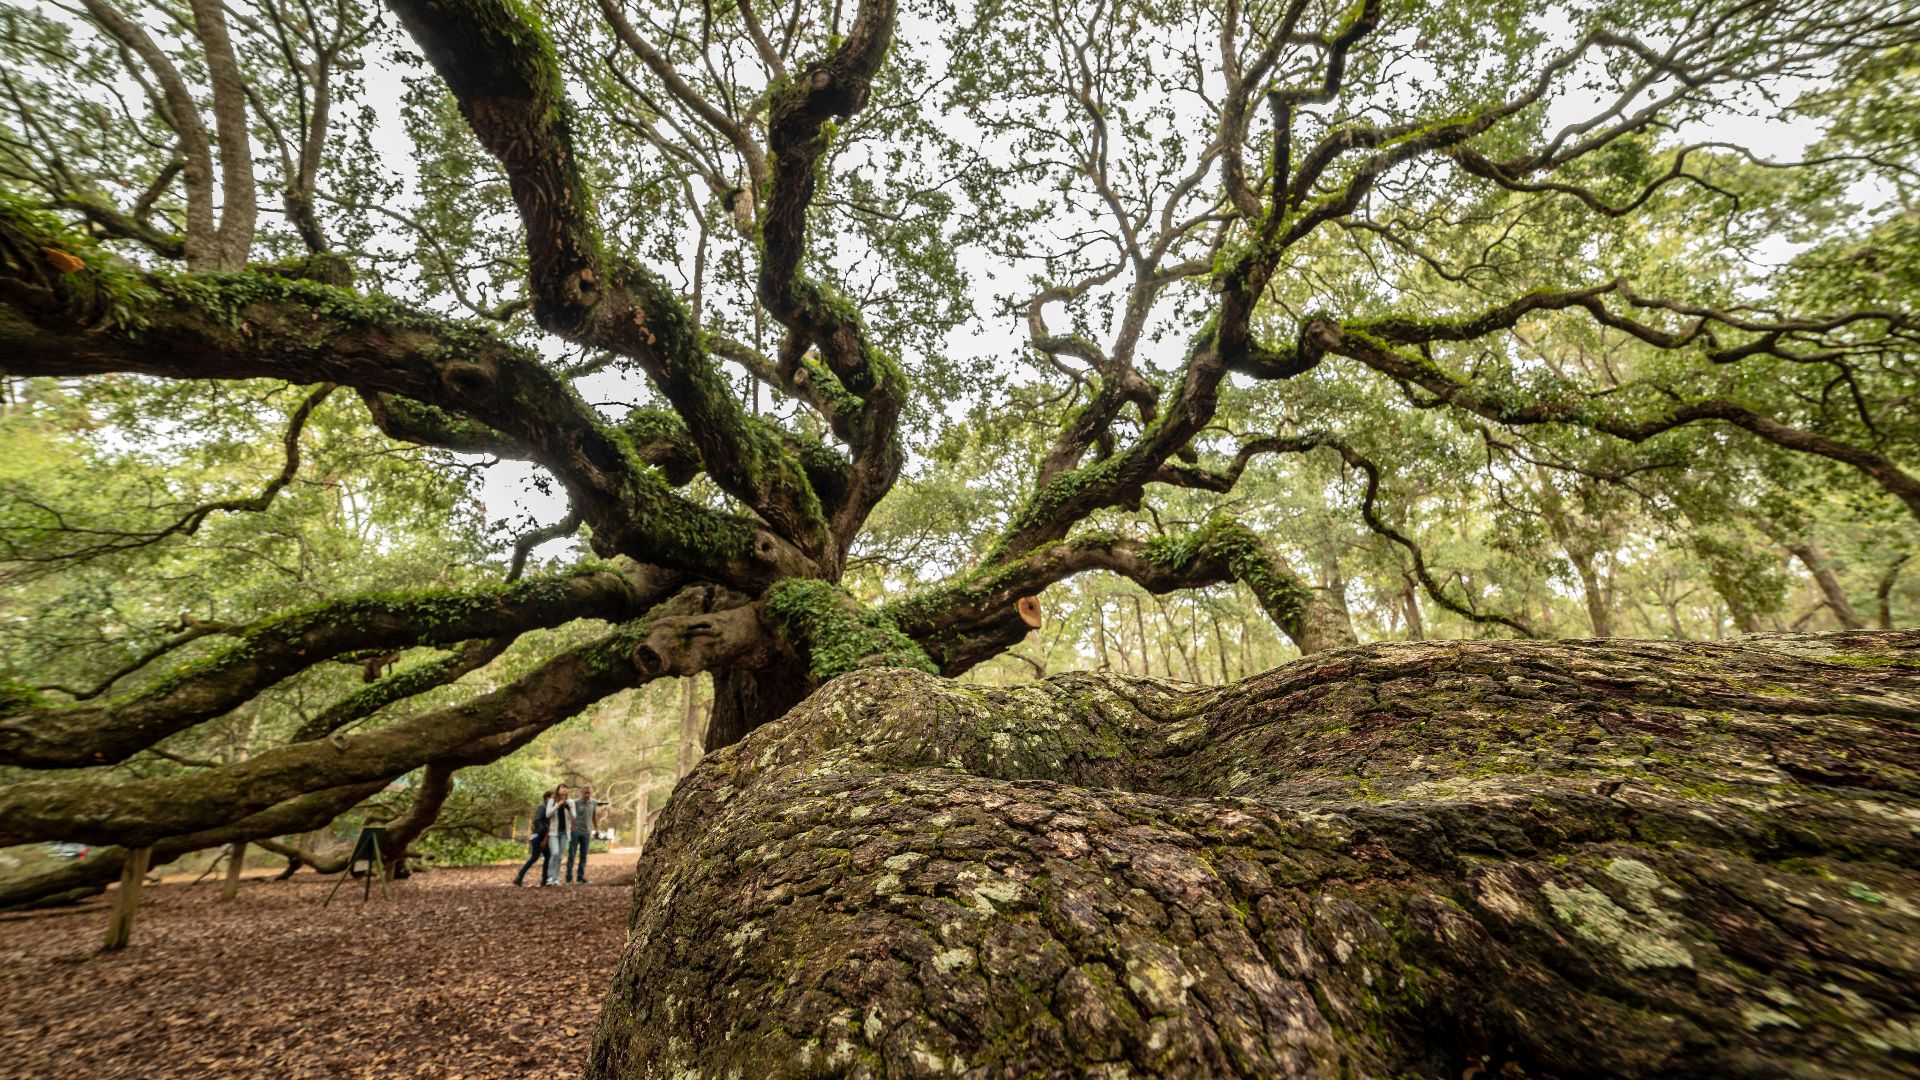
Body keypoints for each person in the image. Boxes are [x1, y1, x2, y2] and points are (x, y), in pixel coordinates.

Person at [513, 789, 554, 887]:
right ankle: (519, 877)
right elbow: (537, 820)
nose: (554, 800)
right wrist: (543, 831)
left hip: (543, 836)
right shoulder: (542, 807)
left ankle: (544, 880)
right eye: (552, 797)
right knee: (534, 857)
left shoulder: (549, 809)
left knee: (547, 856)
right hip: (538, 836)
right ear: (547, 798)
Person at [566, 785, 599, 883]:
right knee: (572, 854)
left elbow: (594, 817)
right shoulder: (575, 803)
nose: (587, 795)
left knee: (583, 856)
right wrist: (571, 826)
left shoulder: (593, 803)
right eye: (585, 793)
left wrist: (597, 829)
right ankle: (568, 878)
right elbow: (569, 815)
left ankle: (580, 877)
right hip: (575, 832)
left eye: (589, 793)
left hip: (586, 833)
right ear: (581, 793)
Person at [543, 783, 574, 885]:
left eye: (566, 788)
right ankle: (550, 877)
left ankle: (555, 878)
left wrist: (569, 809)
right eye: (562, 788)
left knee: (560, 856)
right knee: (555, 853)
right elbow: (548, 814)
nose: (564, 790)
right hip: (553, 833)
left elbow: (574, 818)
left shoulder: (570, 802)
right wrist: (557, 805)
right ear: (558, 789)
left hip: (565, 833)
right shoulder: (552, 801)